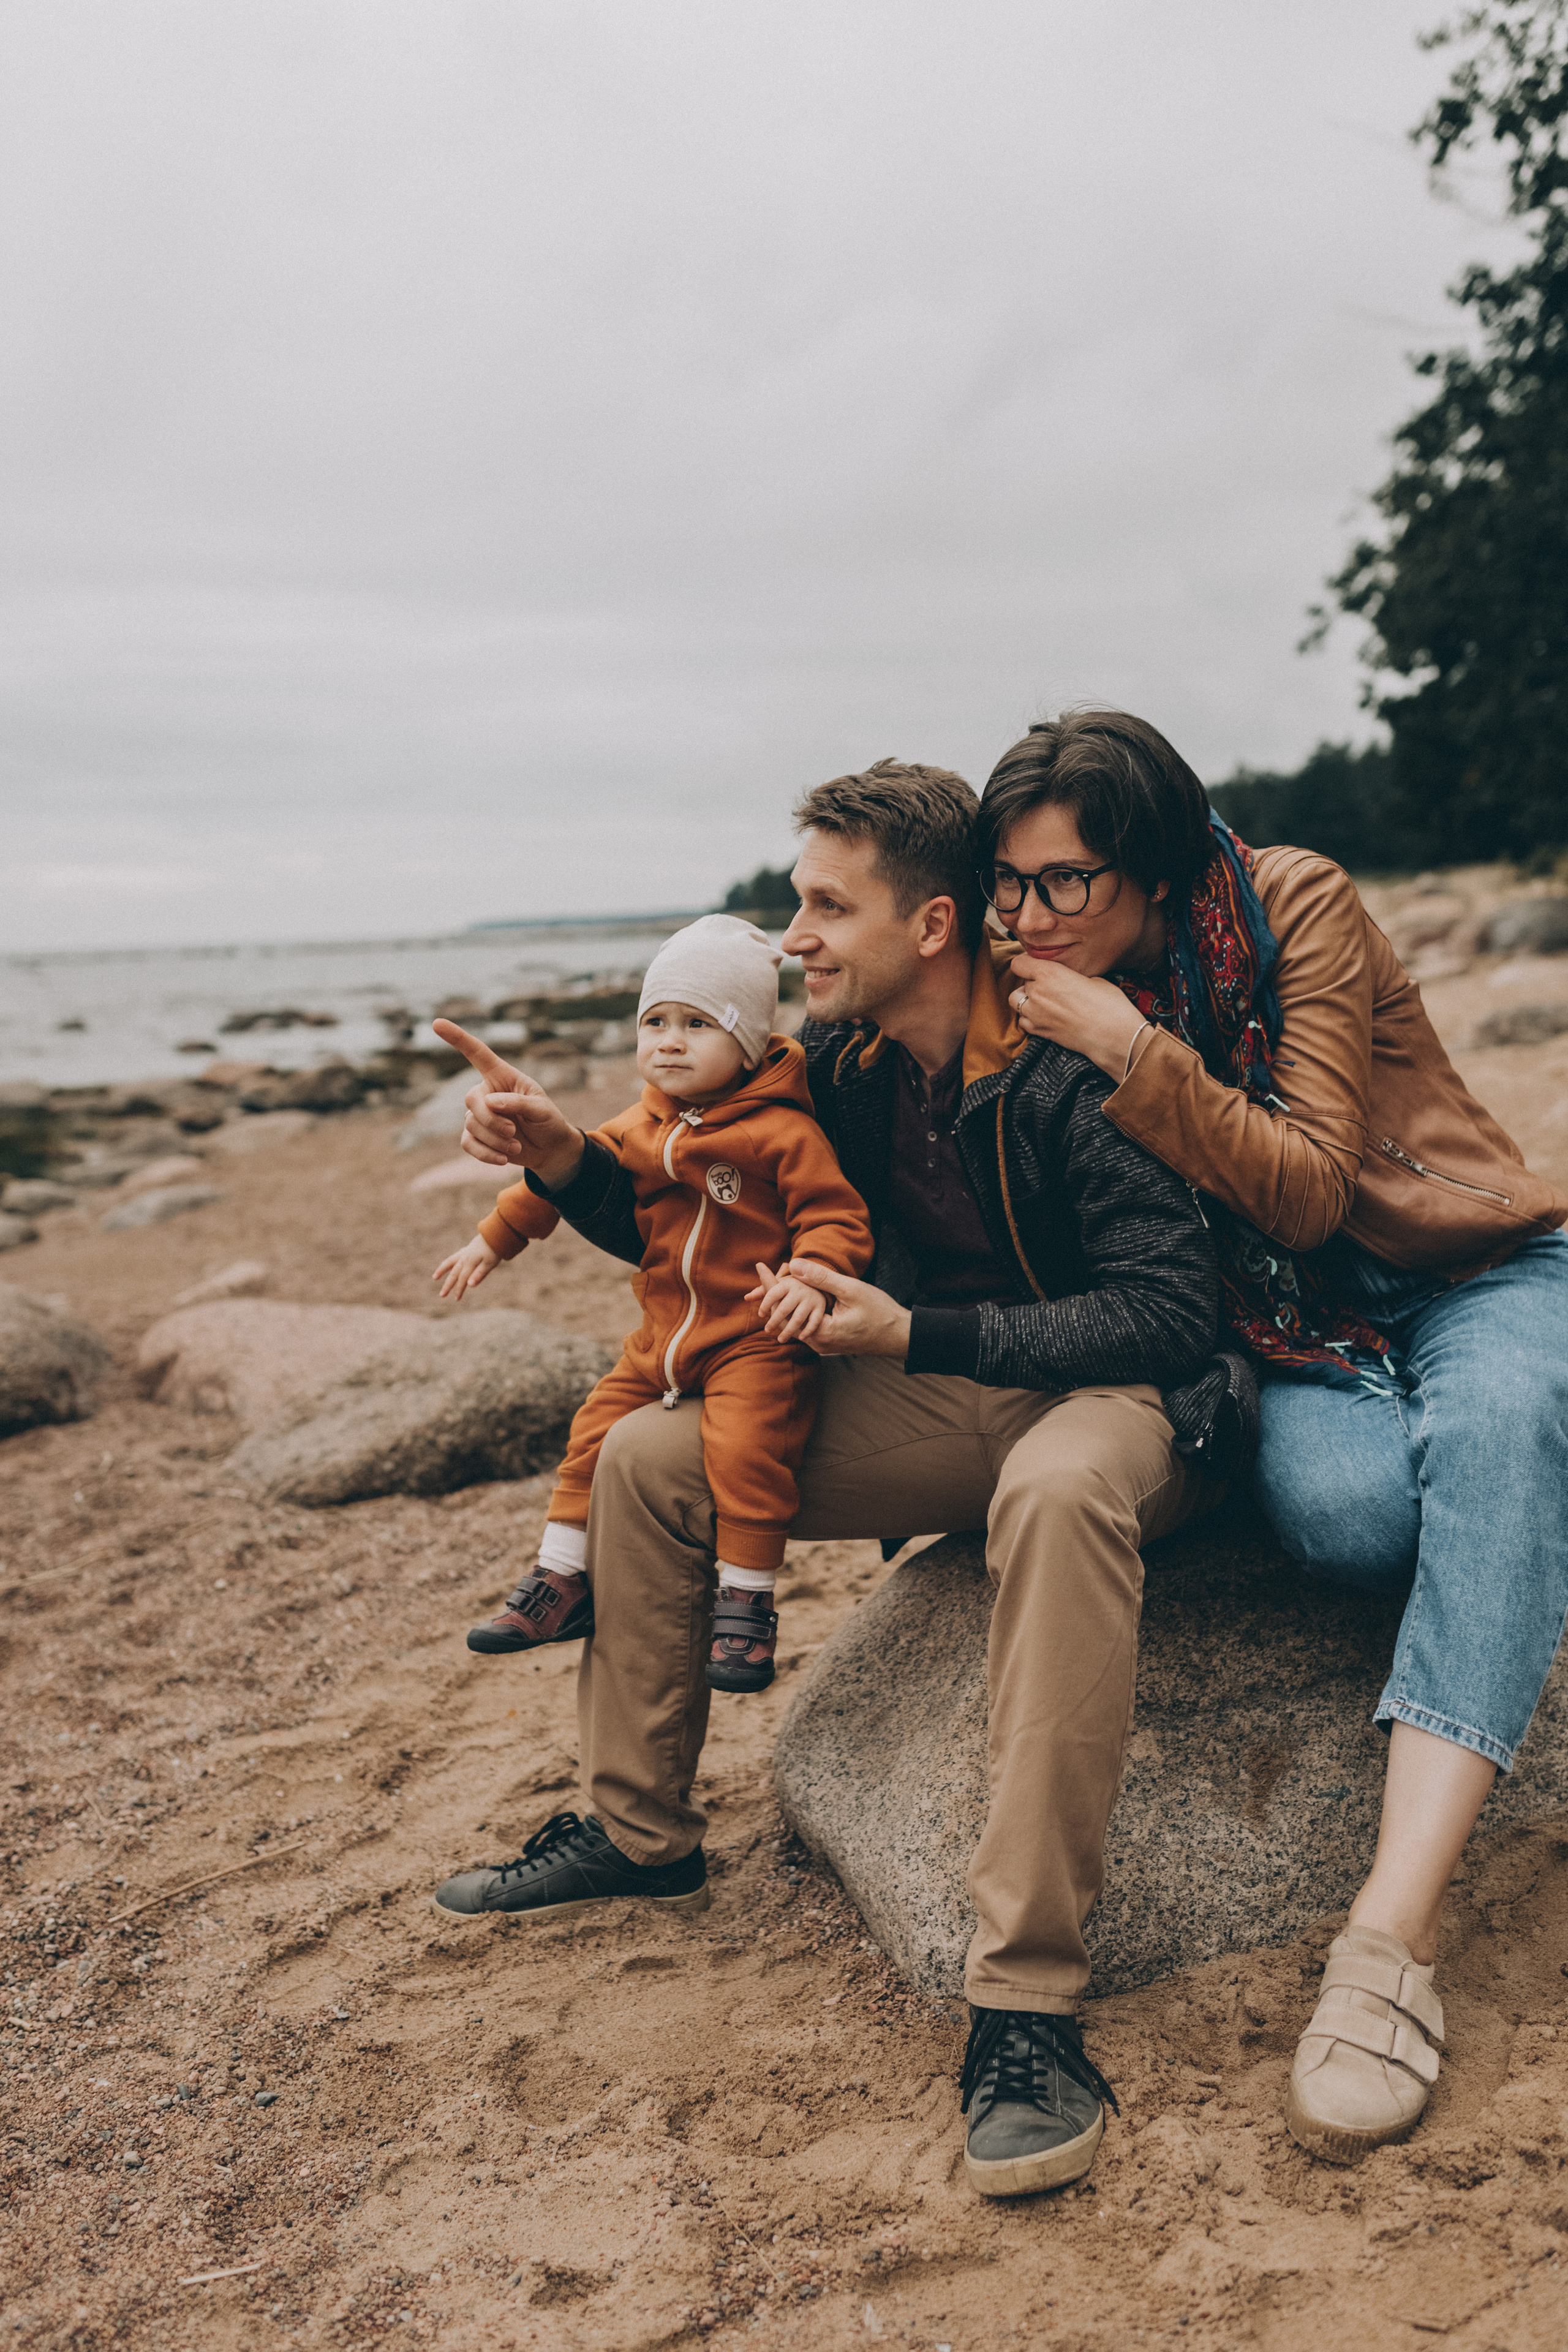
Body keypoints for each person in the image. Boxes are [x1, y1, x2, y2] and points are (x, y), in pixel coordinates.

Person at [431, 758, 1235, 2201]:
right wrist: (563, 1162)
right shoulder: (847, 1071)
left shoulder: (1070, 1057)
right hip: (942, 1387)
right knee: (648, 1450)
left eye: (820, 906)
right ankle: (634, 1826)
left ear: (929, 925)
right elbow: (717, 1225)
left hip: (1113, 1399)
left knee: (1052, 1497)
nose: (789, 936)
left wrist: (918, 1330)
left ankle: (1023, 2003)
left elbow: (1174, 1308)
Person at [992, 707, 1568, 2165]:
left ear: (1150, 863)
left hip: (1456, 1275)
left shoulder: (1288, 897)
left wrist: (1128, 1046)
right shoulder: (1043, 990)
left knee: (1495, 1421)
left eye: (1061, 880)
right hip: (1287, 1336)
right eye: (1009, 882)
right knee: (1346, 1522)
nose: (1027, 913)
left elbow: (1310, 1188)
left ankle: (1388, 1929)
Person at [431, 914, 874, 1695]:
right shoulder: (638, 1126)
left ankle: (747, 1602)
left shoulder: (782, 1132)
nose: (668, 1041)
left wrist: (809, 1276)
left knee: (746, 1455)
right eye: (655, 1022)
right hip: (664, 1337)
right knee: (591, 1436)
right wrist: (489, 1243)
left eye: (697, 1025)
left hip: (756, 1339)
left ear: (746, 1043)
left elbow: (835, 1217)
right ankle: (560, 1580)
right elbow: (549, 1184)